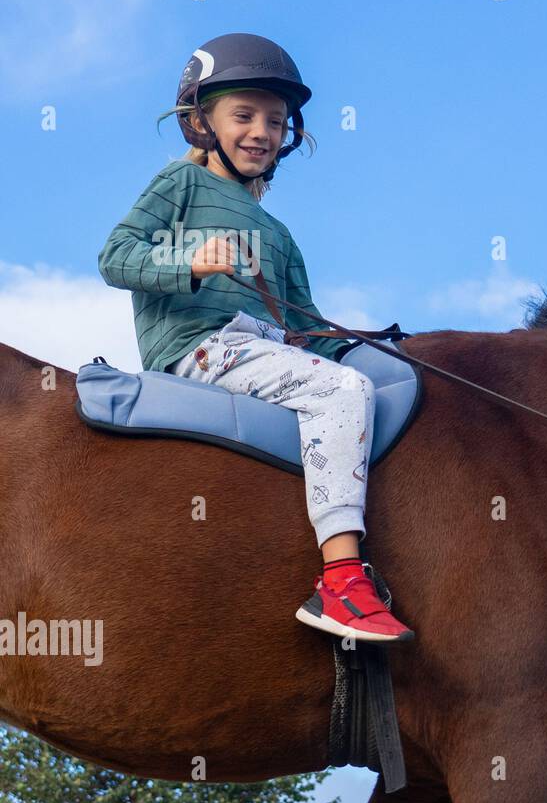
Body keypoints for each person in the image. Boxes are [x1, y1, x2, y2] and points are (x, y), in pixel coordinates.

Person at [97, 32, 414, 643]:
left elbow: (308, 327)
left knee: (361, 379)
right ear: (200, 122)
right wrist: (191, 258)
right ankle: (343, 583)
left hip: (263, 348)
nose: (261, 131)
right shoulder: (179, 186)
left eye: (276, 120)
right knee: (340, 393)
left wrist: (368, 350)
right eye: (244, 115)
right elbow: (115, 256)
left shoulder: (281, 234)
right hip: (200, 349)